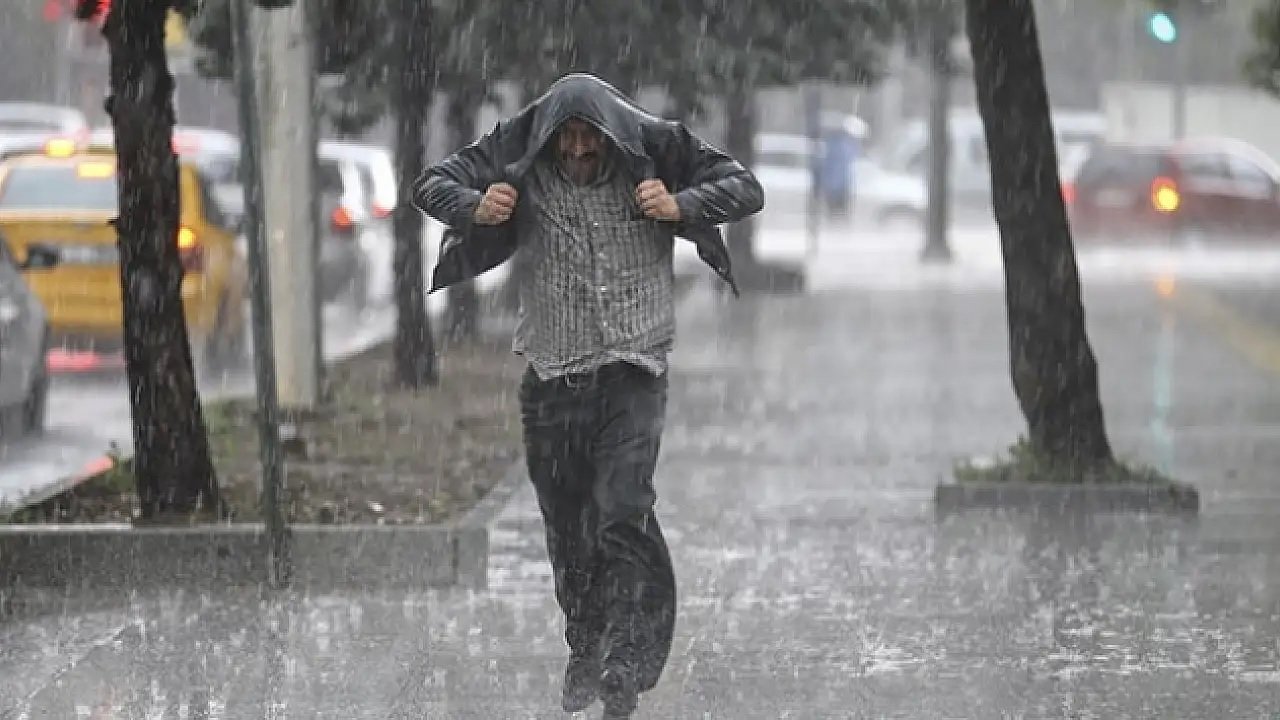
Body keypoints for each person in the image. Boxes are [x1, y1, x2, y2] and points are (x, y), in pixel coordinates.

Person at [413, 73, 763, 718]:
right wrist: (476, 206)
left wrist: (680, 204)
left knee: (622, 514)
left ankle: (623, 661)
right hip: (551, 379)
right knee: (569, 531)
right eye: (566, 139)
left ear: (611, 133)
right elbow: (429, 185)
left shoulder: (654, 144)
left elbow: (745, 188)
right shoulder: (518, 143)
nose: (577, 150)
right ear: (548, 135)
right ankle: (586, 644)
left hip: (633, 372)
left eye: (589, 138)